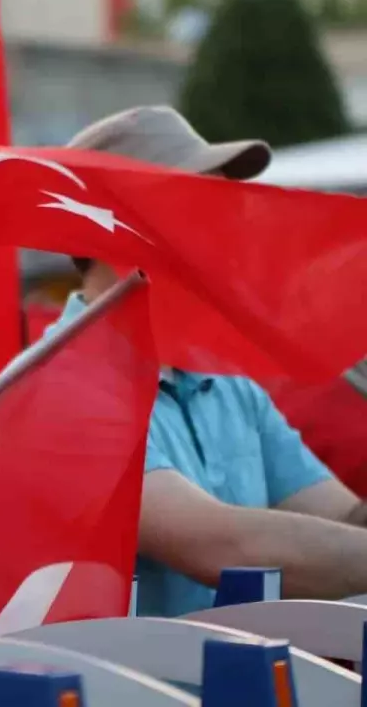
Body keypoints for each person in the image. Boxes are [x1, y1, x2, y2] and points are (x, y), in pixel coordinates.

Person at [50, 105, 367, 617]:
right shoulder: (59, 387)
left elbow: (343, 519)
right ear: (109, 230)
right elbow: (222, 547)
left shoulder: (225, 381)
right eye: (197, 206)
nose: (227, 229)